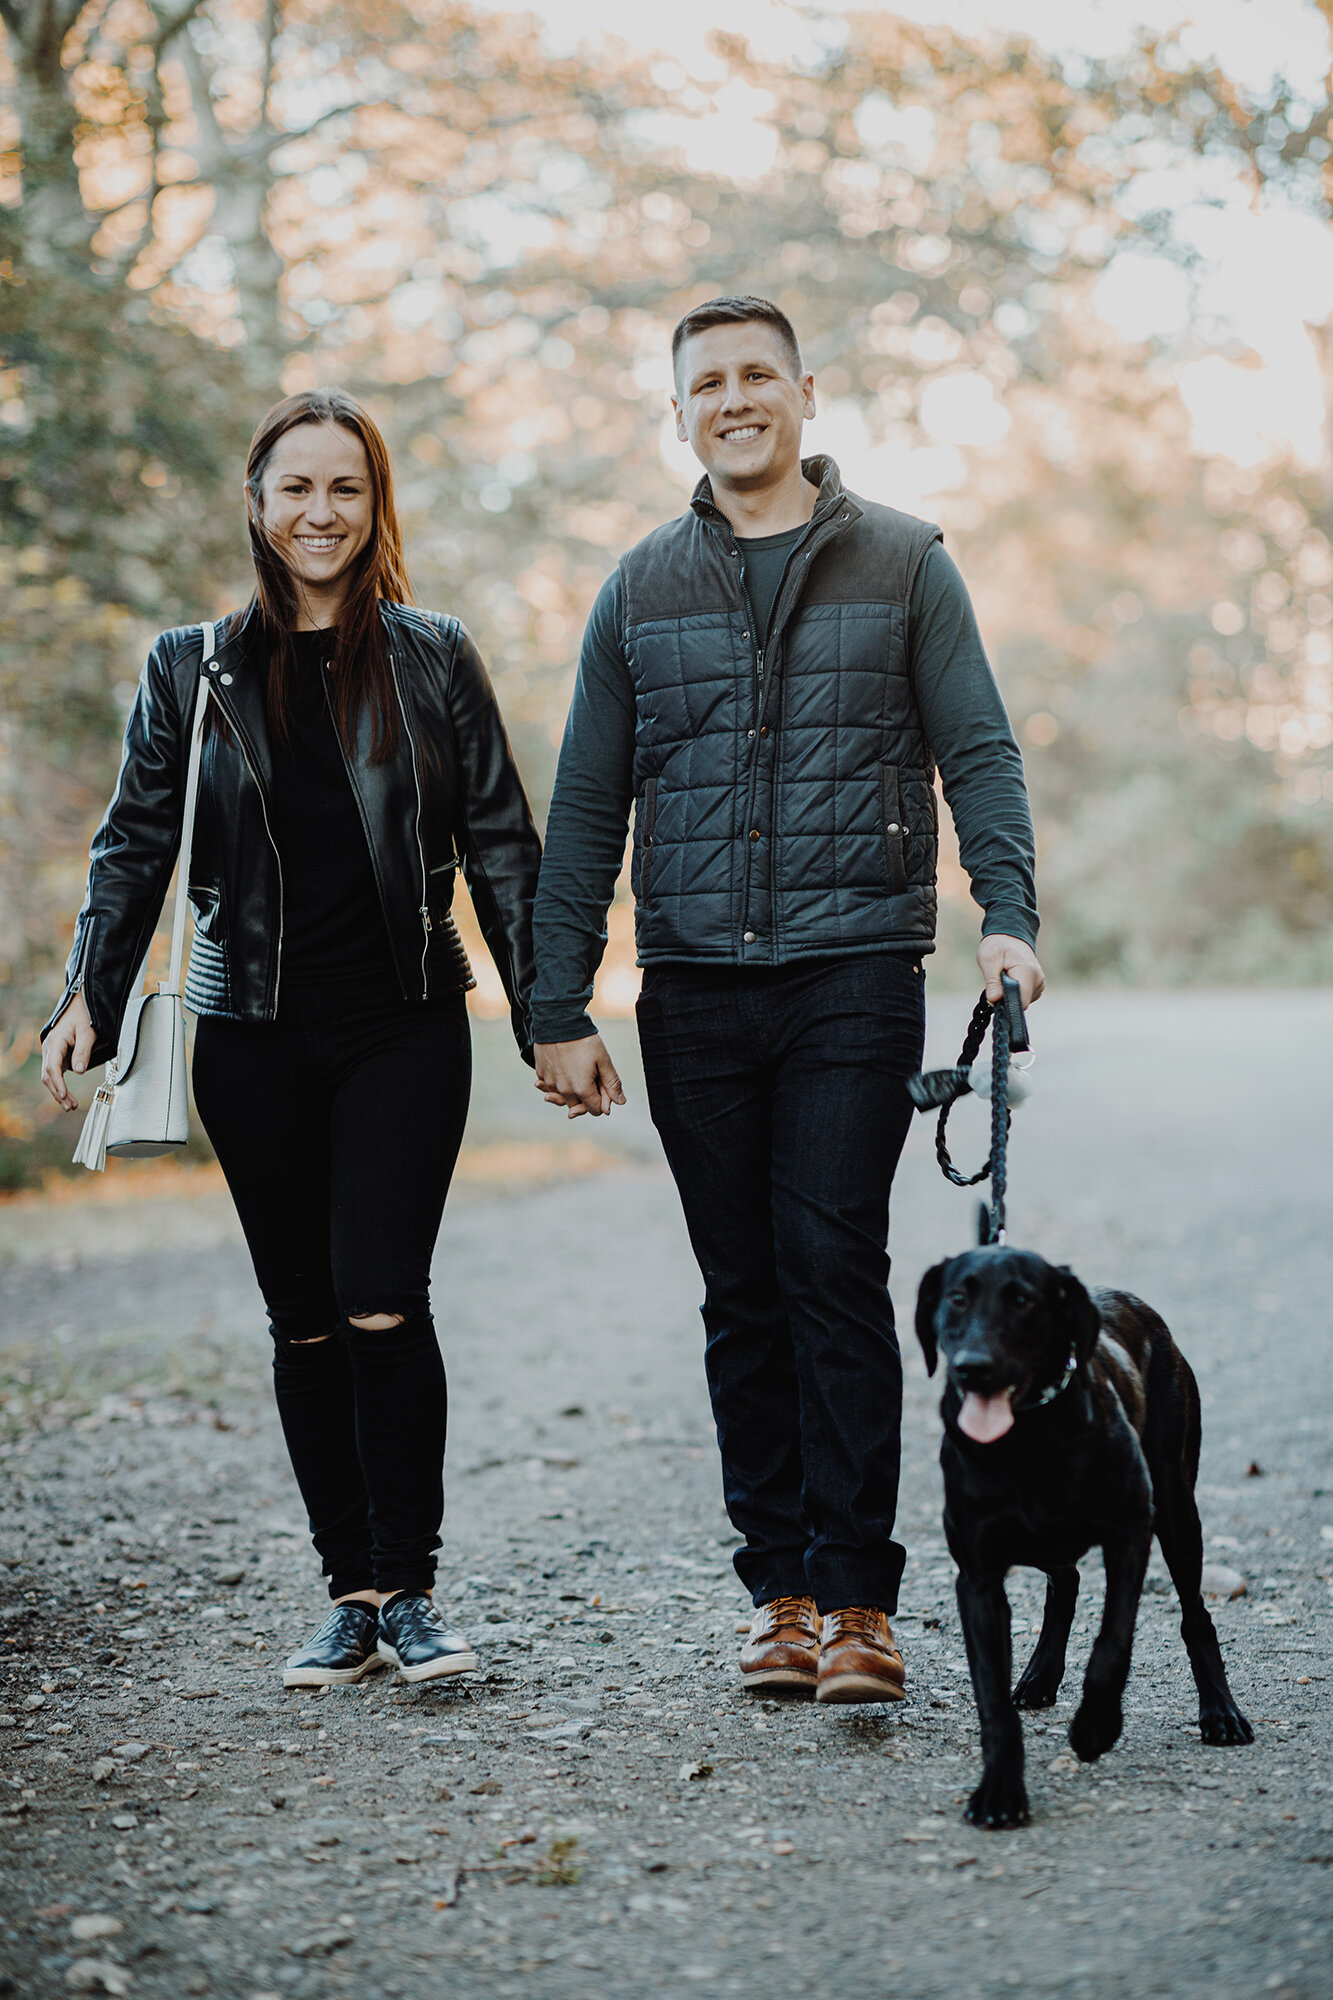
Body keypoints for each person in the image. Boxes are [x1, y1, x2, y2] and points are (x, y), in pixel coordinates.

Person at [531, 296, 1043, 1704]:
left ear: (806, 396)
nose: (735, 397)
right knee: (739, 1292)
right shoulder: (639, 585)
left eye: (759, 374)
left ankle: (861, 1603)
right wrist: (553, 1002)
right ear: (680, 411)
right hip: (690, 988)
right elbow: (583, 806)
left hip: (852, 976)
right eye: (707, 381)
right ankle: (780, 1592)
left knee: (829, 1272)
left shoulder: (903, 561)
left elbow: (977, 752)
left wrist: (1007, 920)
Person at [40, 389, 541, 1689]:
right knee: (303, 1321)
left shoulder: (434, 656)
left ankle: (414, 1590)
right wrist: (88, 989)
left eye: (346, 489)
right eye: (295, 489)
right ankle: (350, 1593)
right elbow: (134, 841)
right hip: (247, 1035)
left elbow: (498, 844)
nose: (321, 512)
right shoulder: (189, 667)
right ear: (257, 506)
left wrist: (552, 1014)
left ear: (375, 508)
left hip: (404, 1026)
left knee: (382, 1299)